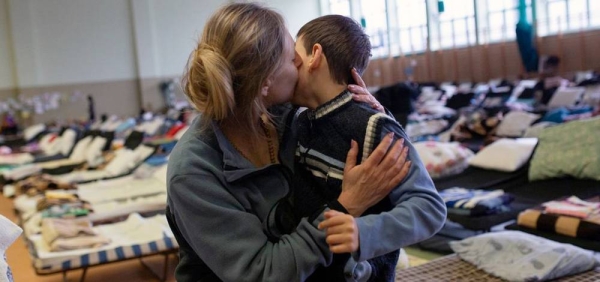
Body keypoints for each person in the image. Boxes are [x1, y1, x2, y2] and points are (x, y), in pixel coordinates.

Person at [166, 3, 411, 281]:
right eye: (292, 57)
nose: (301, 62)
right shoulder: (193, 171)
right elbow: (262, 273)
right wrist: (345, 208)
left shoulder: (292, 118)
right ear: (265, 82)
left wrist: (372, 118)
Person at [269, 15, 446, 281]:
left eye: (293, 56)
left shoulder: (374, 127)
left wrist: (363, 231)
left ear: (314, 55)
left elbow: (429, 208)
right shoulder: (300, 119)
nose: (289, 67)